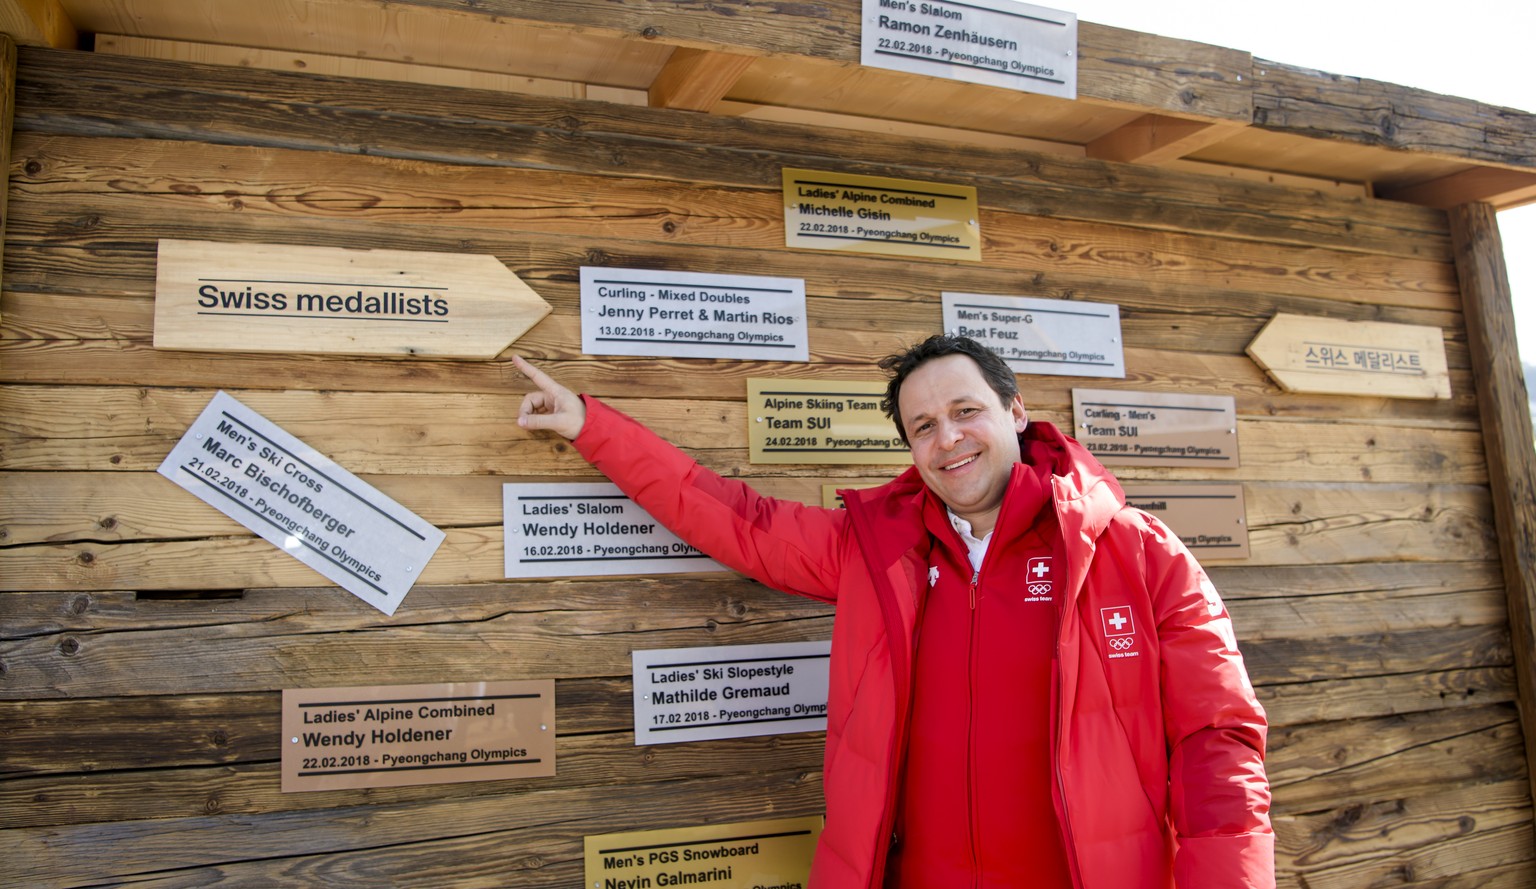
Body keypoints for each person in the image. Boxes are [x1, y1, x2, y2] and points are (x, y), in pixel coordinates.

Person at [513, 334, 1274, 889]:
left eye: (965, 410)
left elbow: (1220, 743)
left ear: (1016, 411)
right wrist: (591, 425)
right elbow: (735, 518)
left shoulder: (1138, 552)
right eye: (923, 427)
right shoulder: (875, 552)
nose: (948, 440)